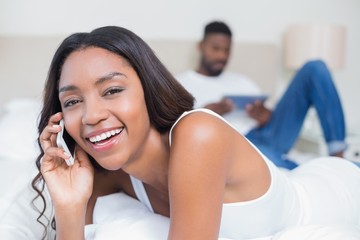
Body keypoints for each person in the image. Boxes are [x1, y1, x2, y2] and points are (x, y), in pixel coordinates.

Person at [31, 26, 360, 240]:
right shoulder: (105, 175)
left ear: (149, 89)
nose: (92, 115)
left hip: (337, 192)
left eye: (112, 90)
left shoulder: (197, 133)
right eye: (73, 100)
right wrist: (69, 205)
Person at [176, 21, 348, 170]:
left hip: (268, 134)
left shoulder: (242, 81)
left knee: (315, 67)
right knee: (271, 162)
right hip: (237, 144)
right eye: (215, 48)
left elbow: (275, 120)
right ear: (201, 46)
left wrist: (265, 115)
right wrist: (205, 114)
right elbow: (176, 131)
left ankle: (339, 157)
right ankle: (313, 172)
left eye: (227, 50)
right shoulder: (182, 84)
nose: (222, 55)